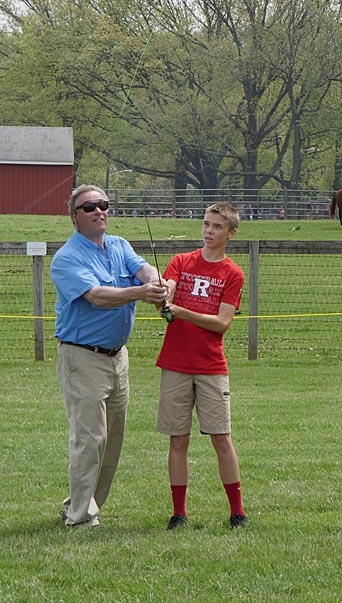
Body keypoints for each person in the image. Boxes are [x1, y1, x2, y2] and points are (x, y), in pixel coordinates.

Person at [51, 185, 168, 527]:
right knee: (89, 437)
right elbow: (98, 296)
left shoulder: (118, 245)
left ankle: (86, 504)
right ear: (74, 217)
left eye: (103, 205)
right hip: (82, 358)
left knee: (113, 438)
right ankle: (79, 517)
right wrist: (142, 292)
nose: (99, 211)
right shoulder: (67, 258)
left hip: (118, 358)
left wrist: (157, 282)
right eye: (90, 207)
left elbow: (144, 269)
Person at [155, 202, 248, 530]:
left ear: (231, 234)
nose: (209, 231)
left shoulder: (233, 273)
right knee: (178, 439)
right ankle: (178, 512)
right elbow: (168, 292)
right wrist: (163, 295)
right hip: (175, 364)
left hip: (211, 367)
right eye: (206, 225)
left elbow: (222, 323)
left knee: (221, 437)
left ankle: (237, 511)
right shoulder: (181, 261)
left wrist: (180, 311)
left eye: (217, 227)